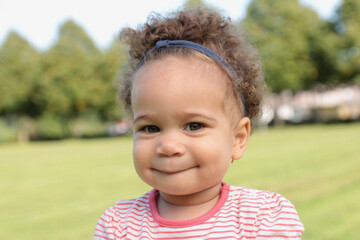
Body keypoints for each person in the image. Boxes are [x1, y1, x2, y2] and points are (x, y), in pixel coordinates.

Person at [94, 8, 304, 239]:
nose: (169, 146)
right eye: (151, 128)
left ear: (238, 138)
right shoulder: (119, 225)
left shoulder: (261, 217)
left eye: (194, 125)